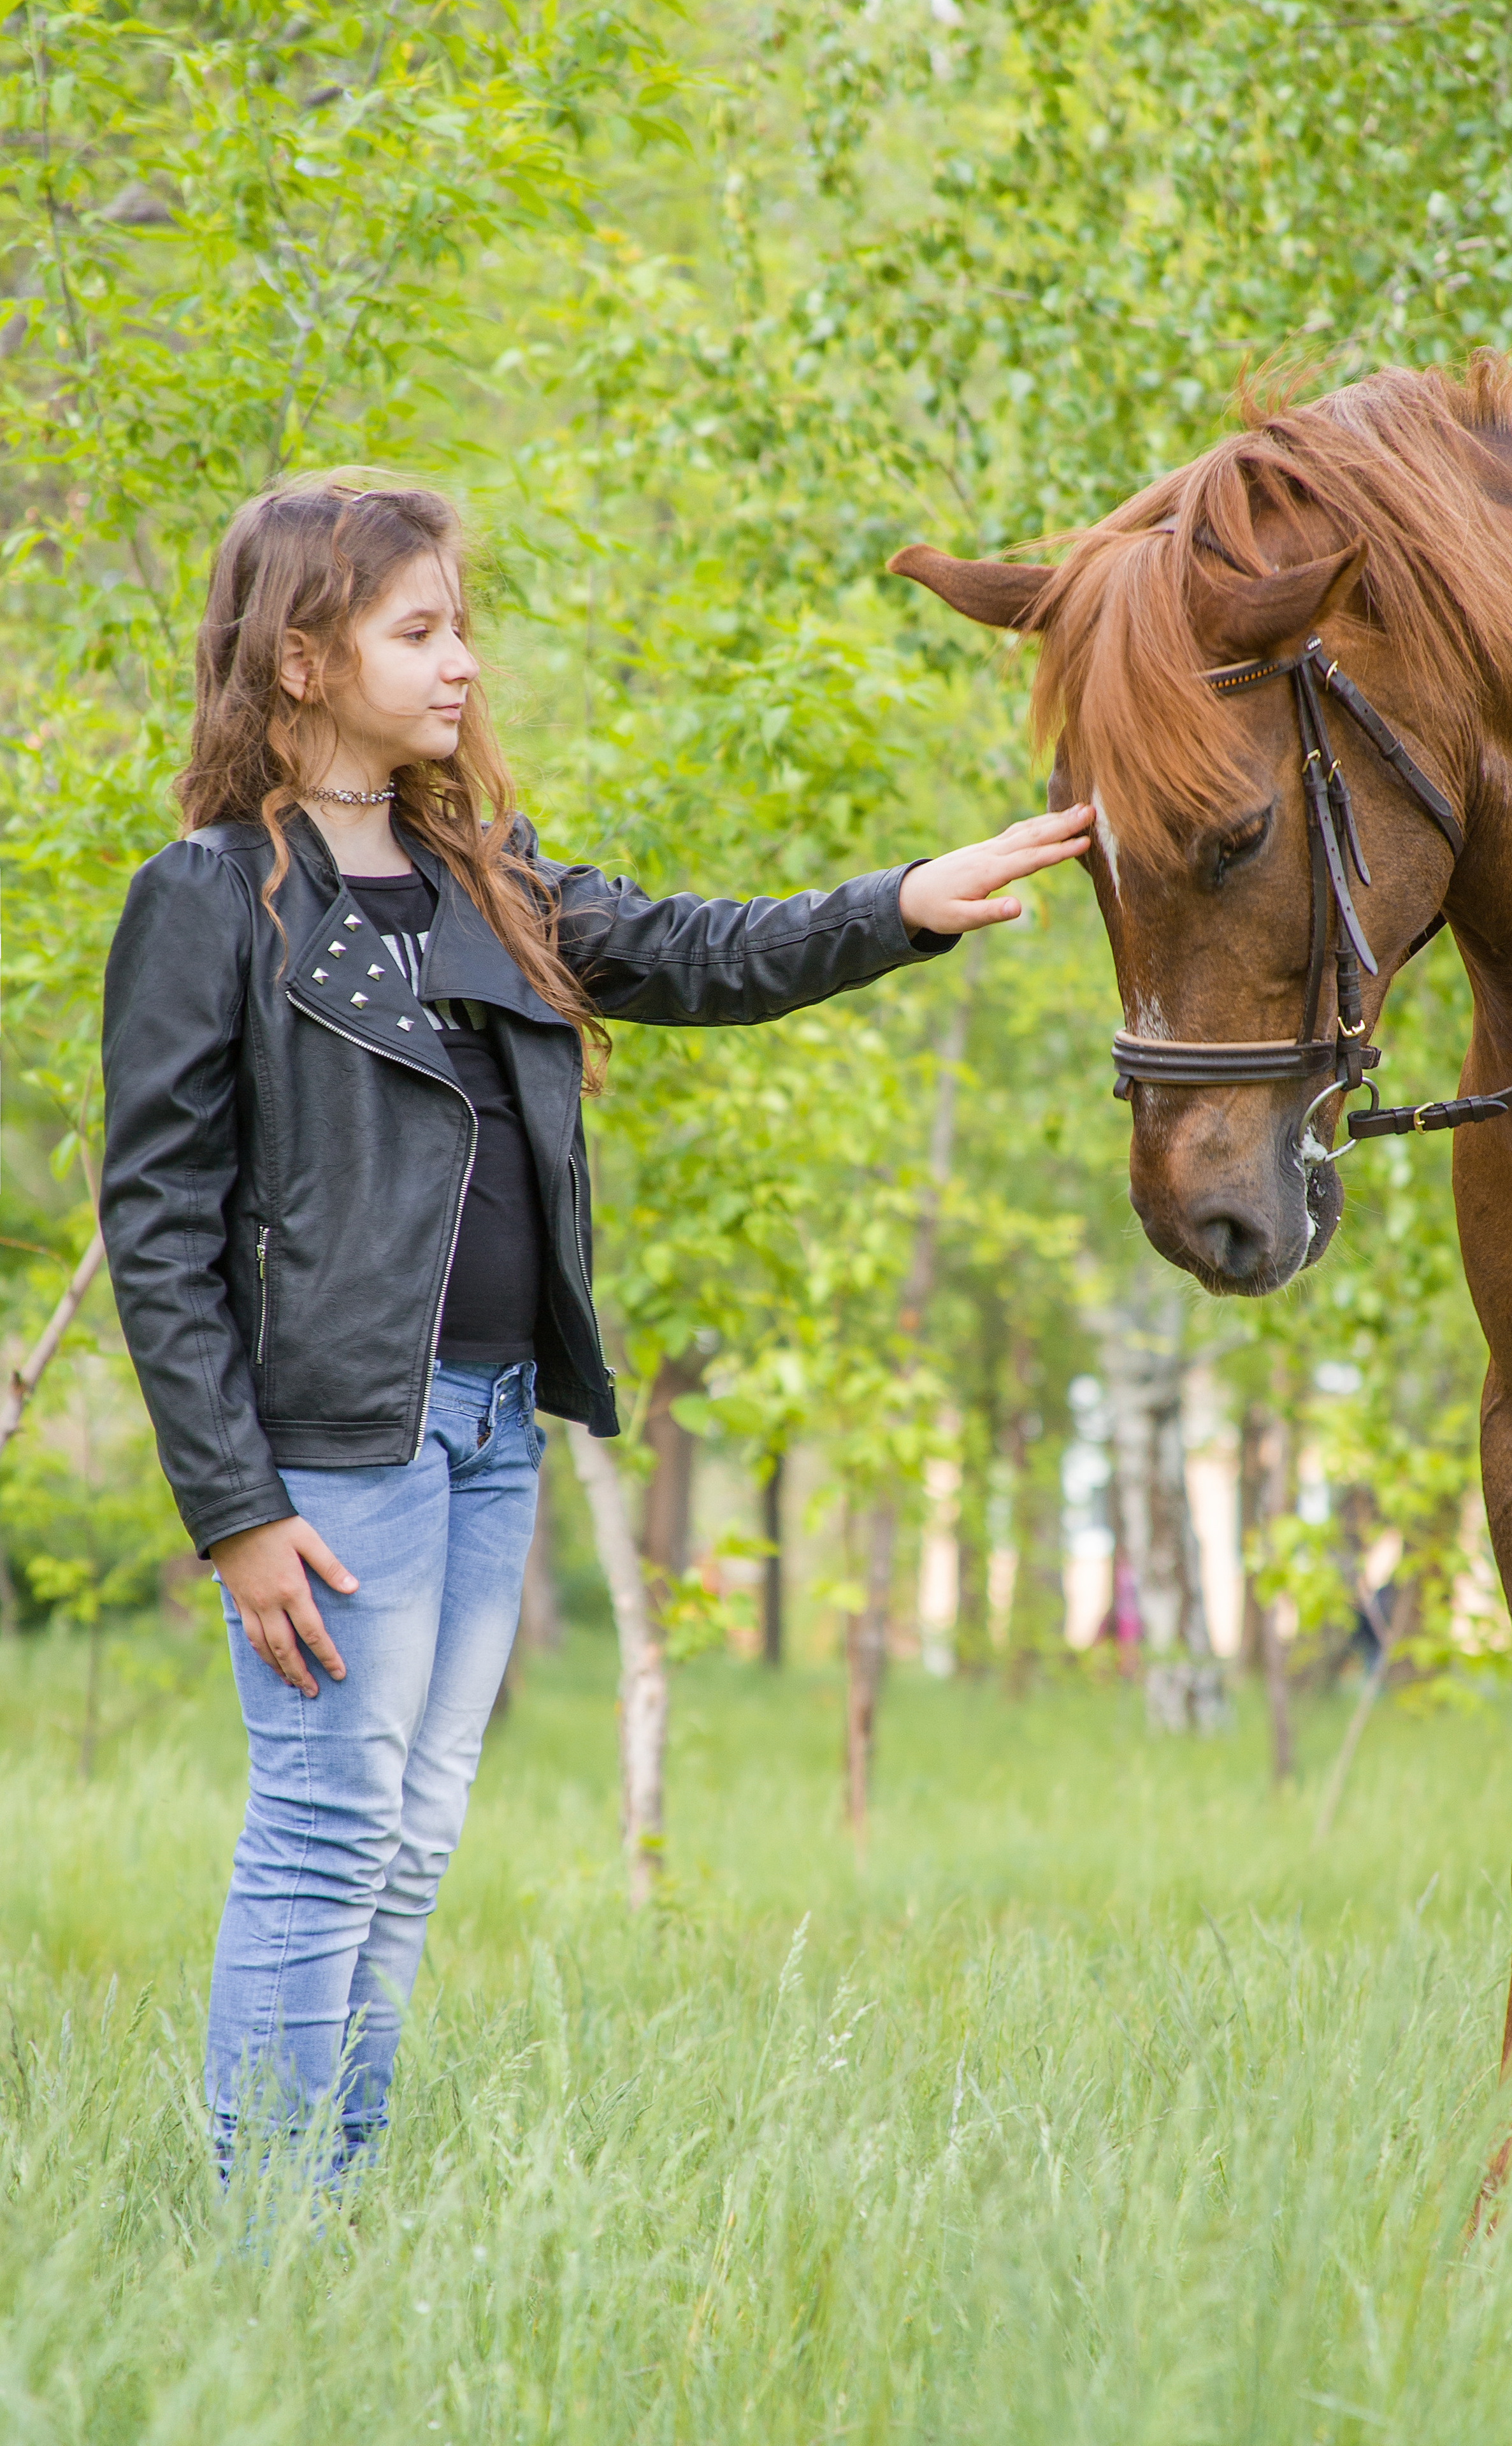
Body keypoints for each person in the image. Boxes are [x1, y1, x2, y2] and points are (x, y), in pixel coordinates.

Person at [99, 473, 1092, 2180]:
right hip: (342, 1446)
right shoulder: (205, 902)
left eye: (461, 625)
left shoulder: (484, 873)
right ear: (307, 658)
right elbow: (158, 1224)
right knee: (329, 1835)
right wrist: (236, 1510)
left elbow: (699, 951)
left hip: (492, 1428)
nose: (463, 663)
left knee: (409, 1842)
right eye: (421, 631)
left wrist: (908, 897)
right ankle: (263, 2237)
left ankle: (333, 2205)